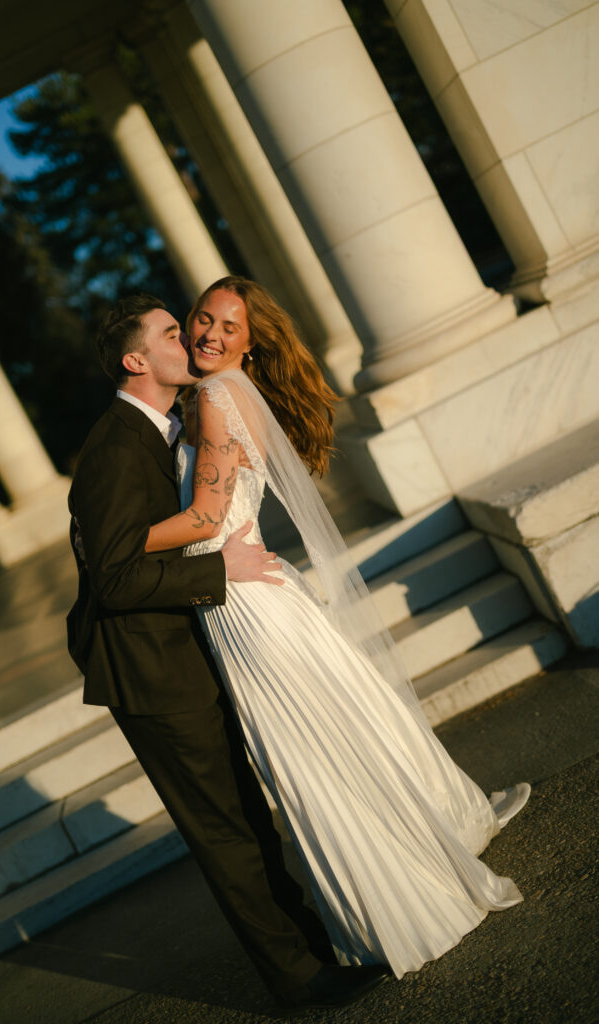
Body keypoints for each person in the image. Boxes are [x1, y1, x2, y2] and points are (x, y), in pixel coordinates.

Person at [143, 275, 531, 980]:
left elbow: (203, 520)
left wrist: (114, 545)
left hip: (243, 606)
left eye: (227, 328)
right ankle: (406, 871)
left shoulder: (213, 400)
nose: (208, 334)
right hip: (252, 593)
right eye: (203, 319)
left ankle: (400, 900)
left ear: (249, 343)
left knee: (314, 759)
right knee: (333, 742)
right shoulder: (238, 398)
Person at [66, 294, 391, 1010]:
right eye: (172, 333)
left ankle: (311, 949)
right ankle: (297, 977)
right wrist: (221, 570)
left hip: (188, 649)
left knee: (245, 817)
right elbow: (112, 576)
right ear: (136, 360)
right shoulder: (113, 449)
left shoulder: (157, 428)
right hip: (152, 676)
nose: (190, 340)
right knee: (228, 831)